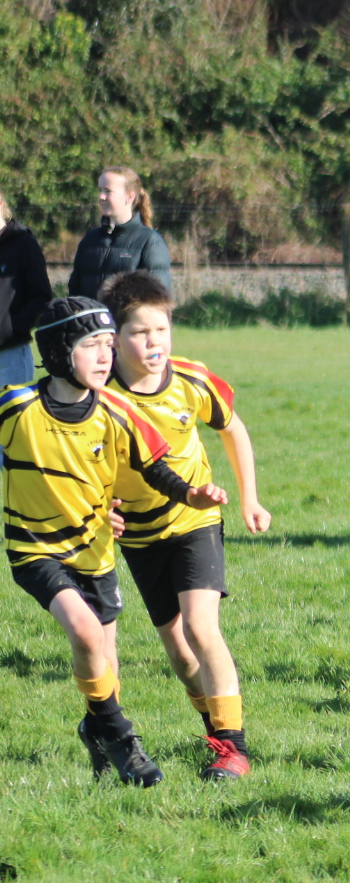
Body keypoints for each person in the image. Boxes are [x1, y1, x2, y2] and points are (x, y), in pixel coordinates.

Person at [1, 297, 224, 786]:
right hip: (36, 549)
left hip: (97, 552)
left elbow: (153, 467)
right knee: (83, 632)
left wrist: (191, 492)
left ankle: (97, 725)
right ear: (59, 352)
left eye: (108, 345)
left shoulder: (116, 410)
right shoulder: (16, 407)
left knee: (103, 659)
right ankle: (123, 737)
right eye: (92, 346)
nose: (106, 357)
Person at [100, 271, 270, 781]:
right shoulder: (100, 394)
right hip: (139, 534)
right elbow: (85, 460)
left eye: (162, 330)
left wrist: (249, 499)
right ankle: (212, 722)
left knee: (201, 626)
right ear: (113, 336)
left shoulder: (191, 379)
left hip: (196, 517)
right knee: (176, 648)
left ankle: (232, 748)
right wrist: (100, 505)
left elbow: (233, 430)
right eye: (139, 332)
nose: (153, 343)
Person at [67, 168, 172, 302]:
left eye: (108, 191)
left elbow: (159, 301)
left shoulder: (150, 241)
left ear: (130, 196)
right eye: (100, 190)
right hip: (90, 323)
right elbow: (74, 293)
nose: (101, 197)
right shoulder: (90, 240)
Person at [0, 190, 52, 387]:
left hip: (10, 357)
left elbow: (41, 296)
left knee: (13, 417)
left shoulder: (23, 244)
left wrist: (11, 330)